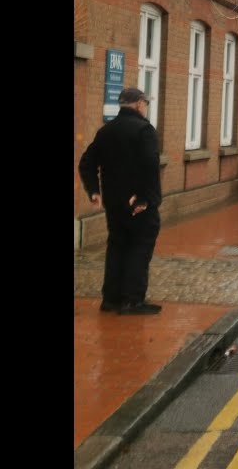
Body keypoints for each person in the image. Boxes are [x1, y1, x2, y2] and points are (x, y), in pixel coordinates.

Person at [78, 87, 164, 315]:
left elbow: (86, 163)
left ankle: (111, 299)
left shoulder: (106, 131)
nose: (145, 107)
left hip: (114, 204)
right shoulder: (145, 130)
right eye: (145, 103)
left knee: (117, 247)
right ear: (139, 104)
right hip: (139, 205)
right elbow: (150, 165)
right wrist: (144, 198)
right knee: (140, 247)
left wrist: (94, 191)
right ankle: (133, 301)